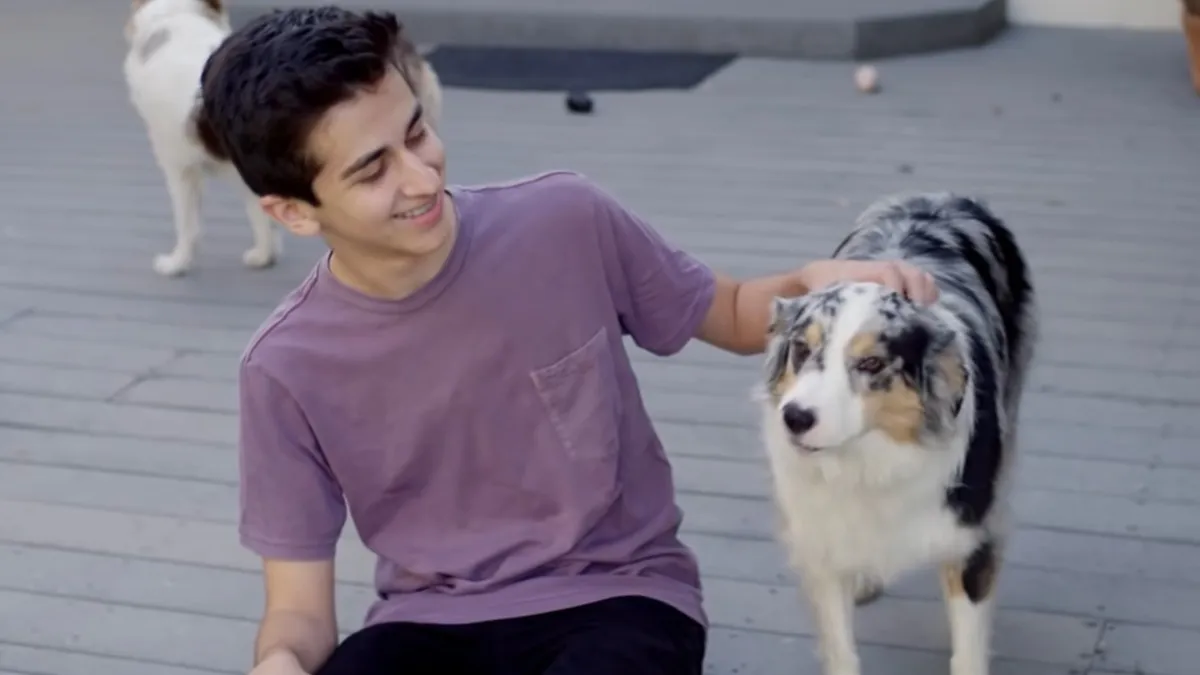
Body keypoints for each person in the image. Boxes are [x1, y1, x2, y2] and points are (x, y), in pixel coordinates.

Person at [198, 6, 938, 675]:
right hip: (429, 622)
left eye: (417, 131)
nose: (422, 177)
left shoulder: (565, 220)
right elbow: (296, 610)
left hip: (619, 593)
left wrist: (813, 279)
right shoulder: (284, 369)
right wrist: (281, 662)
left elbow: (735, 311)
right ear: (293, 213)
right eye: (373, 169)